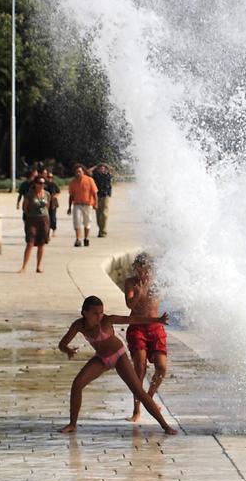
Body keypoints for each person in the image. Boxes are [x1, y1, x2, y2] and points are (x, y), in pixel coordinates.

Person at [56, 295, 177, 435]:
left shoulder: (107, 320)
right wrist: (68, 350)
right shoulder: (78, 325)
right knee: (77, 384)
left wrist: (157, 320)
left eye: (101, 312)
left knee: (139, 392)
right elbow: (62, 344)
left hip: (119, 356)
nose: (99, 316)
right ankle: (72, 424)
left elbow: (132, 319)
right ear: (85, 312)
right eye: (95, 313)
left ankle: (165, 426)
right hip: (101, 358)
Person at [123, 254, 169, 423]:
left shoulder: (158, 282)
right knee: (140, 368)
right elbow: (129, 305)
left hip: (156, 327)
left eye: (146, 271)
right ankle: (137, 411)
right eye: (140, 271)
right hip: (137, 328)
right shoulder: (131, 282)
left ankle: (148, 398)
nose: (143, 275)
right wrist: (139, 293)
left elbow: (174, 284)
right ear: (136, 269)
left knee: (162, 367)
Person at [18, 175, 50, 274]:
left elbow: (47, 207)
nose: (42, 185)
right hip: (32, 220)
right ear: (35, 184)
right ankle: (24, 267)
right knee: (30, 242)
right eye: (40, 183)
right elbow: (25, 207)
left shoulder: (47, 194)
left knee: (41, 244)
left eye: (43, 183)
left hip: (44, 220)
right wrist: (29, 216)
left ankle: (38, 266)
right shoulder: (29, 194)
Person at [66, 163, 98, 248]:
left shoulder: (89, 180)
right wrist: (69, 207)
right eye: (76, 172)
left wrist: (96, 203)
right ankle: (78, 239)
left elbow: (94, 193)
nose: (78, 173)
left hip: (88, 204)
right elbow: (71, 196)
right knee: (77, 222)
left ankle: (86, 238)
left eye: (79, 171)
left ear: (83, 172)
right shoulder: (73, 182)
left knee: (87, 223)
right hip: (77, 205)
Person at [88, 163, 112, 238]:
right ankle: (101, 230)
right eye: (100, 168)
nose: (102, 169)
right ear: (98, 169)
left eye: (103, 168)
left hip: (106, 195)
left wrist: (106, 165)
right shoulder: (95, 176)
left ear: (105, 169)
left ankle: (103, 231)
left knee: (104, 214)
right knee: (98, 214)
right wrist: (95, 166)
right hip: (97, 196)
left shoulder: (108, 175)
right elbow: (88, 171)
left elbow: (112, 169)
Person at [42, 167, 61, 237]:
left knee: (53, 217)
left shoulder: (53, 184)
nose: (49, 178)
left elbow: (58, 191)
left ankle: (53, 230)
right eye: (48, 176)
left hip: (53, 203)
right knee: (45, 217)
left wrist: (55, 196)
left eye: (51, 177)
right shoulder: (43, 184)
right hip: (45, 202)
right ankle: (46, 231)